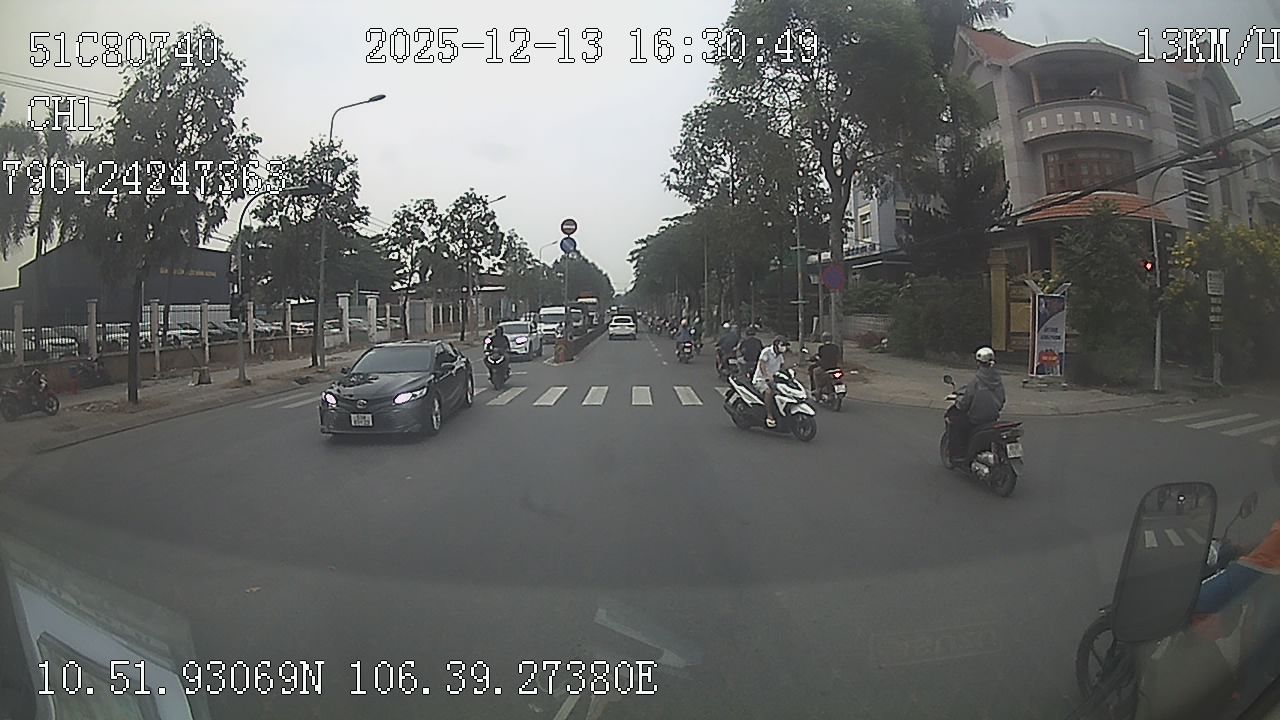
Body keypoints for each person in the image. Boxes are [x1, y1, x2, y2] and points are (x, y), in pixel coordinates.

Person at [951, 347, 1006, 461]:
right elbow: (1002, 399)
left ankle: (959, 455)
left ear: (978, 363)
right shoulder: (998, 380)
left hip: (976, 419)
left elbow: (966, 402)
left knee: (956, 422)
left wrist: (958, 403)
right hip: (993, 418)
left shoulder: (976, 381)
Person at [753, 335, 791, 428]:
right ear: (776, 344)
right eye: (782, 345)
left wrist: (789, 374)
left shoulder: (780, 356)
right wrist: (766, 376)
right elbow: (762, 365)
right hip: (761, 380)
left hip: (775, 380)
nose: (784, 347)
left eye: (785, 345)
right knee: (769, 392)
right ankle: (769, 416)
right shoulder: (766, 351)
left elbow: (782, 367)